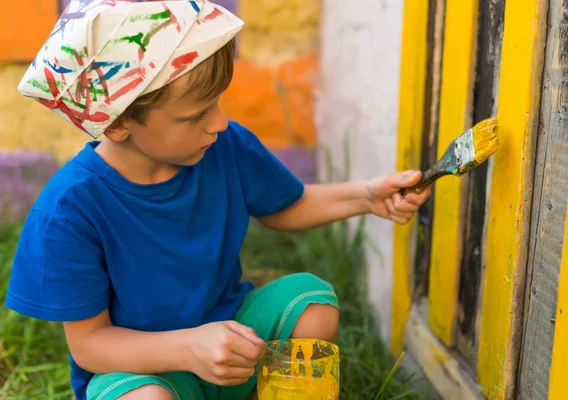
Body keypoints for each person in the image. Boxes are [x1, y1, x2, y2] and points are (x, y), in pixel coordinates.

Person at [5, 1, 431, 399]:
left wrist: (365, 196)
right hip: (144, 369)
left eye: (217, 104)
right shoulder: (69, 211)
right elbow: (91, 346)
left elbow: (287, 206)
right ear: (117, 125)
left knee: (312, 304)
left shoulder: (223, 146)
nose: (220, 122)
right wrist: (189, 348)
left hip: (235, 344)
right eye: (195, 115)